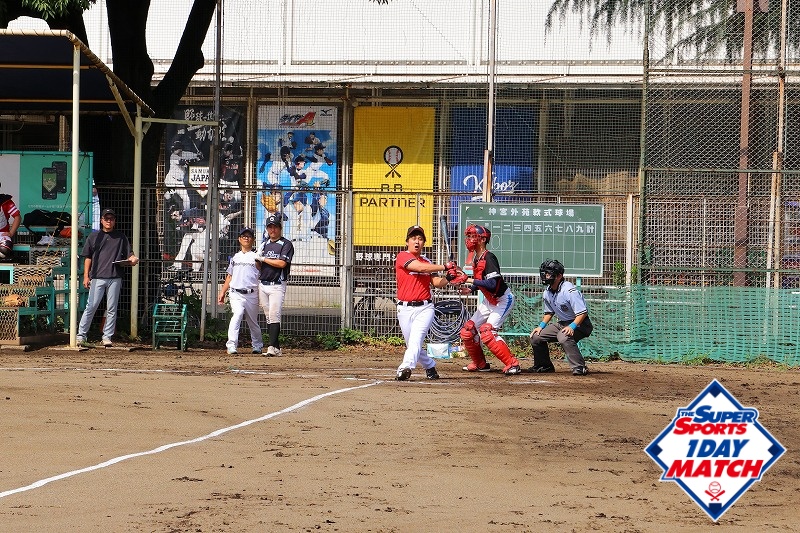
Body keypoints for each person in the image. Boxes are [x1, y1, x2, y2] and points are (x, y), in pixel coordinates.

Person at [448, 224, 522, 375]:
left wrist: (468, 280)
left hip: (502, 299)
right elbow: (481, 279)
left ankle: (513, 364)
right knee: (468, 330)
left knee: (487, 331)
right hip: (489, 301)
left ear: (482, 239)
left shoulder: (489, 257)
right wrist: (471, 288)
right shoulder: (477, 258)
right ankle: (480, 364)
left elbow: (493, 283)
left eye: (473, 236)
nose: (469, 239)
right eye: (469, 236)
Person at [394, 225, 453, 381]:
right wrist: (445, 266)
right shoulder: (402, 256)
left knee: (415, 340)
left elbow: (437, 282)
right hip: (404, 308)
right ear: (407, 241)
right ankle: (430, 366)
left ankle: (405, 367)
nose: (416, 241)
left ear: (424, 243)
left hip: (425, 308)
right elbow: (419, 268)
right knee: (413, 344)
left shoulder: (427, 261)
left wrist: (449, 277)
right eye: (413, 238)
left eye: (420, 239)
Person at [76, 208, 139, 347]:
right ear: (101, 220)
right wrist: (86, 276)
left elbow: (130, 255)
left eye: (111, 219)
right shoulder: (93, 236)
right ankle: (81, 336)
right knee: (91, 306)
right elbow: (87, 257)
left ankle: (107, 337)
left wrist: (133, 259)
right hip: (97, 277)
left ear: (114, 221)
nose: (108, 221)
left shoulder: (121, 237)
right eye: (106, 218)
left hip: (115, 277)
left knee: (112, 308)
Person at [528, 259, 593, 376]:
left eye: (549, 274)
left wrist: (572, 326)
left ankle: (580, 367)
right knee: (536, 337)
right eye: (545, 273)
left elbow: (582, 312)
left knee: (563, 336)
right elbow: (549, 313)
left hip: (581, 323)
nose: (546, 276)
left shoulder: (568, 290)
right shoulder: (547, 292)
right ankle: (544, 366)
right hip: (563, 323)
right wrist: (540, 326)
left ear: (559, 276)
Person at [218, 227, 264, 355]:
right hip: (236, 293)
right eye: (244, 236)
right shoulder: (235, 257)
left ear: (253, 240)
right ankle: (231, 345)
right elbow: (229, 276)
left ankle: (257, 345)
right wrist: (222, 292)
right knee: (237, 314)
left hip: (252, 293)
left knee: (253, 321)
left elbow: (261, 275)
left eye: (249, 236)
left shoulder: (256, 257)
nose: (246, 238)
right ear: (239, 239)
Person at [256, 214, 294, 356]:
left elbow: (282, 263)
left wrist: (264, 259)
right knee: (268, 317)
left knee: (274, 315)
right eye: (270, 227)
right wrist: (257, 259)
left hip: (277, 284)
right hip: (263, 284)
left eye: (275, 227)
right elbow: (259, 266)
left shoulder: (286, 244)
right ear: (267, 229)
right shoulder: (264, 244)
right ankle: (277, 348)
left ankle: (271, 347)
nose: (273, 230)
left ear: (280, 228)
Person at [0, 193, 21, 260]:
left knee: (4, 250)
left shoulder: (5, 200)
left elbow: (17, 217)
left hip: (2, 234)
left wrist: (11, 233)